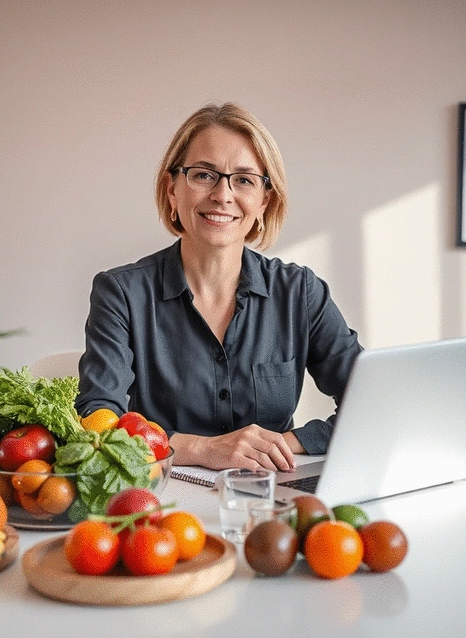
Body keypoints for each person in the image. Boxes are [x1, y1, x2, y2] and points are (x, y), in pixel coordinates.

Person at [75, 103, 362, 472]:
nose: (223, 195)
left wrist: (281, 444)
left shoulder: (300, 293)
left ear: (264, 200)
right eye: (203, 175)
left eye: (244, 180)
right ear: (173, 189)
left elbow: (370, 401)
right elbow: (99, 419)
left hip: (271, 489)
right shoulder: (121, 294)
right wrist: (201, 448)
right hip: (164, 494)